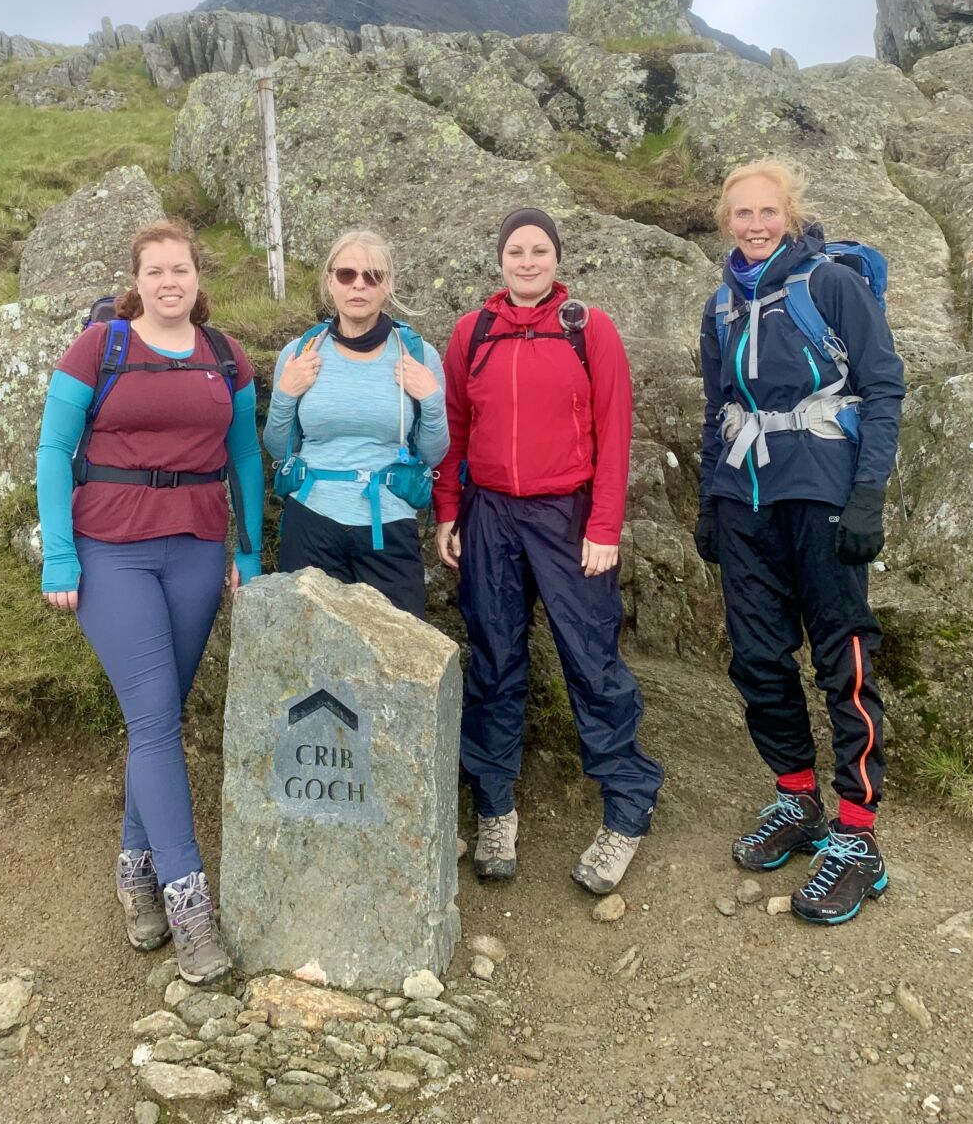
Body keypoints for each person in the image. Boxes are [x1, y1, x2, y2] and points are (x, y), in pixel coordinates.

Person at [36, 219, 263, 982]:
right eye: (156, 271)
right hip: (111, 553)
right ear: (137, 279)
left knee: (156, 719)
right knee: (157, 718)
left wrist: (251, 548)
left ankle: (134, 869)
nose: (171, 282)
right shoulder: (98, 349)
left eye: (183, 270)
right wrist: (61, 556)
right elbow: (52, 449)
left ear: (199, 278)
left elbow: (243, 457)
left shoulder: (225, 357)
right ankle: (190, 908)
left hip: (197, 550)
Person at [694, 159, 905, 925]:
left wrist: (868, 495)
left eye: (767, 212)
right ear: (726, 220)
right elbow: (718, 406)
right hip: (744, 496)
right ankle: (796, 799)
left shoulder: (831, 285)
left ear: (789, 213)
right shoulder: (721, 305)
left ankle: (857, 836)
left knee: (841, 656)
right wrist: (710, 502)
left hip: (822, 489)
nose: (754, 225)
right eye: (742, 214)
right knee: (755, 655)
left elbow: (882, 385)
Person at [434, 208, 663, 892]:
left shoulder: (589, 329)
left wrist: (605, 525)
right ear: (499, 260)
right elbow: (453, 424)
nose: (527, 260)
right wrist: (449, 510)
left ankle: (626, 808)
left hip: (568, 517)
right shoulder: (472, 333)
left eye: (539, 250)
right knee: (495, 660)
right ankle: (495, 807)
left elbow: (615, 428)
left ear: (557, 260)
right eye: (515, 250)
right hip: (490, 514)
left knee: (592, 662)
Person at [264, 229, 449, 619]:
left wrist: (431, 399)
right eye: (346, 274)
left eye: (373, 276)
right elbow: (278, 449)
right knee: (310, 658)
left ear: (388, 284)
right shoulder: (299, 353)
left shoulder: (418, 355)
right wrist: (284, 393)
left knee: (402, 658)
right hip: (311, 519)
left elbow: (433, 456)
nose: (359, 285)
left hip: (390, 523)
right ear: (330, 281)